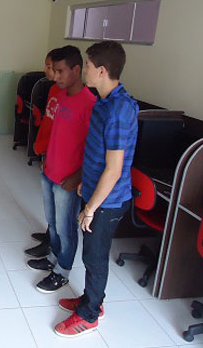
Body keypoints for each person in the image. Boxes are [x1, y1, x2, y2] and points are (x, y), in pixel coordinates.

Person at [54, 41, 138, 337]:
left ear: (101, 71)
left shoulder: (118, 110)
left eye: (87, 66)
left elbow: (114, 169)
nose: (84, 70)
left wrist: (91, 208)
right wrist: (84, 186)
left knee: (95, 256)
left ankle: (90, 315)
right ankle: (92, 300)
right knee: (92, 254)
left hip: (107, 201)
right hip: (94, 192)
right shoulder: (103, 100)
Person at [27, 46, 96, 293]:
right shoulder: (61, 94)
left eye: (60, 71)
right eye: (54, 71)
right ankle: (54, 258)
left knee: (66, 229)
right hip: (50, 171)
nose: (55, 77)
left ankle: (63, 271)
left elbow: (94, 149)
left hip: (68, 180)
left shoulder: (90, 104)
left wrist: (77, 177)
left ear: (76, 70)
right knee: (53, 224)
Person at [25, 48, 63, 259]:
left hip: (58, 158)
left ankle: (51, 245)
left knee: (58, 205)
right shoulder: (52, 90)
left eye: (49, 66)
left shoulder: (69, 95)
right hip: (47, 153)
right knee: (50, 203)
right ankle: (49, 234)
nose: (46, 70)